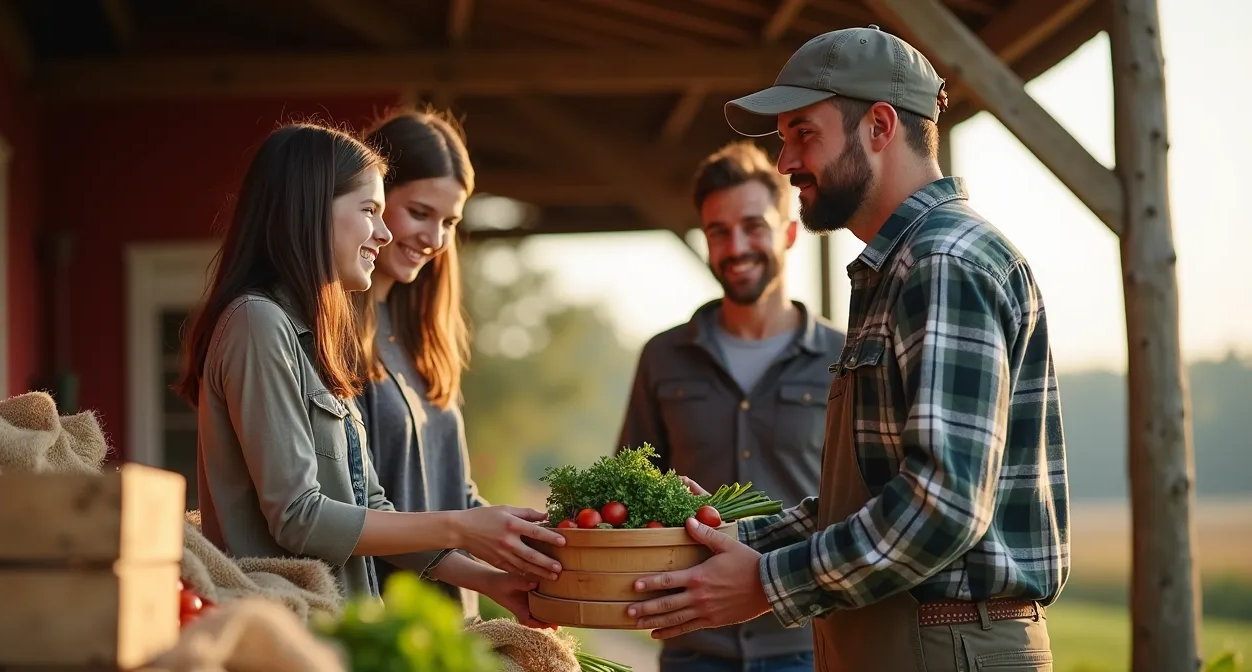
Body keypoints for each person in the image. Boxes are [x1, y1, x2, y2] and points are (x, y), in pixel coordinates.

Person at [624, 25, 1070, 671]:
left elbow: (941, 507)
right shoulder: (897, 268)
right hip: (901, 636)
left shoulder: (942, 262)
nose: (784, 162)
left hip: (944, 644)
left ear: (880, 128)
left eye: (803, 133)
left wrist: (767, 582)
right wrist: (725, 540)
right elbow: (865, 501)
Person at [174, 122, 564, 623]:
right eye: (370, 211)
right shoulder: (257, 322)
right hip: (289, 638)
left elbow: (370, 501)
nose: (384, 234)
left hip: (343, 632)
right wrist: (463, 528)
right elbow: (299, 517)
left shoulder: (311, 335)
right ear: (310, 209)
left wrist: (492, 582)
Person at [616, 140, 844, 672]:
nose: (736, 245)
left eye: (753, 226)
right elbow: (630, 493)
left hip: (812, 645)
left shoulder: (845, 356)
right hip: (694, 646)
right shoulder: (663, 356)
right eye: (719, 232)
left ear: (789, 232)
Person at [350, 107, 490, 619]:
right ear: (373, 200)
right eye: (419, 212)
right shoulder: (330, 333)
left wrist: (536, 534)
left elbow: (454, 488)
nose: (434, 240)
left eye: (449, 222)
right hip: (382, 624)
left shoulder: (423, 335)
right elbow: (352, 508)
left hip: (452, 621)